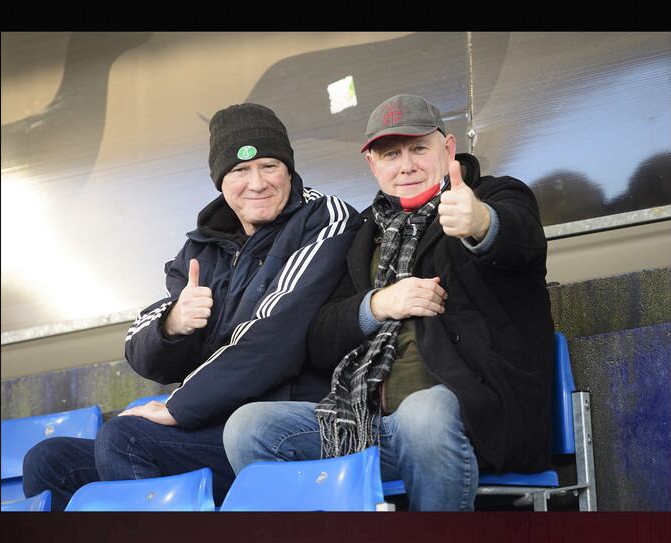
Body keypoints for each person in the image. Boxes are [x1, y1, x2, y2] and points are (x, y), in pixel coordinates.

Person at [21, 103, 362, 511]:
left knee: (125, 438)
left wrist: (180, 406)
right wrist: (173, 324)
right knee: (49, 460)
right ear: (221, 181)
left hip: (280, 425)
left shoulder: (325, 218)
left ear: (289, 168)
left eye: (269, 166)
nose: (257, 183)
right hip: (213, 421)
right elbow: (145, 353)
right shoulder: (203, 245)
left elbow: (274, 338)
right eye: (239, 171)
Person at [223, 94, 555, 511]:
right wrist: (379, 303)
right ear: (372, 165)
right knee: (249, 427)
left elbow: (520, 240)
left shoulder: (495, 194)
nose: (406, 165)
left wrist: (480, 222)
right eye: (391, 154)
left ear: (448, 148)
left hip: (476, 419)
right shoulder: (363, 234)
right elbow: (321, 337)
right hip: (371, 427)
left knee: (423, 414)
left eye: (419, 149)